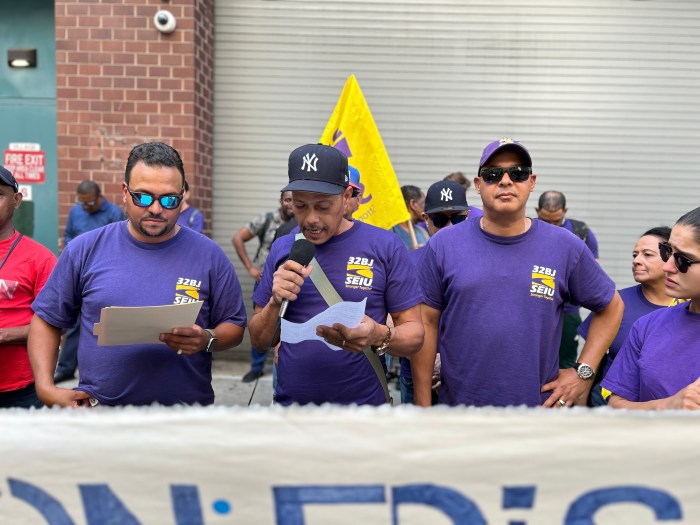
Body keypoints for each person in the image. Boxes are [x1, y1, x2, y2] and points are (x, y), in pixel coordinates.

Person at [28, 142, 247, 407]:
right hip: (101, 415)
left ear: (182, 197)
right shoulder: (84, 250)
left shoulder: (210, 256)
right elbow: (47, 319)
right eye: (142, 197)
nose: (155, 208)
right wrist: (45, 387)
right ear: (124, 192)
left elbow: (234, 326)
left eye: (169, 199)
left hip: (186, 419)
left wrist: (206, 340)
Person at [412, 138, 623, 408]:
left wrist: (584, 372)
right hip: (460, 412)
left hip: (536, 413)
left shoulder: (564, 245)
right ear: (478, 185)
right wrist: (422, 406)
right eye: (493, 174)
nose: (506, 181)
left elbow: (612, 306)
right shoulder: (444, 244)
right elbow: (426, 325)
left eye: (518, 174)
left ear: (531, 182)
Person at [248, 144, 424, 406]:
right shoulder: (283, 247)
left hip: (362, 416)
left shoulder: (385, 246)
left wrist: (378, 334)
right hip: (292, 415)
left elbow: (415, 334)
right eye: (300, 206)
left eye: (322, 206)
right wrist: (275, 301)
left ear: (346, 197)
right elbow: (260, 340)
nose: (311, 219)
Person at [602, 208, 700, 410]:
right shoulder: (648, 326)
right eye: (668, 252)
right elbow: (616, 405)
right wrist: (668, 406)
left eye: (683, 260)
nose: (667, 267)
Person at [578, 227, 684, 406]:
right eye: (635, 255)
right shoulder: (615, 303)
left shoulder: (689, 307)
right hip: (613, 412)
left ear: (671, 258)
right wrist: (579, 411)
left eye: (647, 255)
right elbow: (589, 365)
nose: (636, 261)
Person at [400, 179, 470, 405]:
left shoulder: (483, 262)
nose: (449, 227)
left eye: (457, 218)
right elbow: (393, 319)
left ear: (467, 217)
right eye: (440, 220)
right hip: (416, 375)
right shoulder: (406, 262)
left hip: (465, 375)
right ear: (425, 219)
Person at [53, 180, 125, 384]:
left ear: (99, 196)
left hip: (102, 274)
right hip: (77, 272)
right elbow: (68, 235)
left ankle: (108, 370)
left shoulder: (113, 214)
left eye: (89, 203)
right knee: (74, 323)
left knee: (106, 323)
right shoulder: (76, 212)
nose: (85, 206)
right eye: (82, 202)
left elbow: (118, 245)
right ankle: (66, 368)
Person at [0, 166, 57, 409]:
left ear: (16, 200)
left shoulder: (40, 259)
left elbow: (57, 323)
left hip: (21, 391)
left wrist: (4, 334)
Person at [232, 190, 294, 383]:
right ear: (281, 201)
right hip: (265, 281)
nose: (291, 205)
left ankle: (284, 359)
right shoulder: (267, 219)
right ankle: (257, 367)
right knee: (261, 321)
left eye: (295, 201)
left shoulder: (304, 223)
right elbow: (238, 238)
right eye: (287, 200)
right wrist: (250, 268)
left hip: (291, 282)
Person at [535, 190, 600, 370]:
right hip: (533, 308)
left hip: (568, 310)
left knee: (566, 363)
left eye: (556, 221)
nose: (552, 227)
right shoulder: (525, 229)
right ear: (536, 211)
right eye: (546, 221)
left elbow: (593, 271)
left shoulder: (581, 232)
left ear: (565, 211)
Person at [391, 185, 429, 251]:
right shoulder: (391, 232)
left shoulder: (422, 232)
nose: (427, 208)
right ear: (413, 204)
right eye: (424, 203)